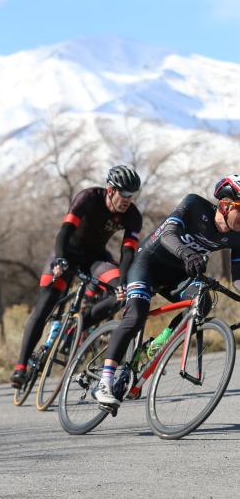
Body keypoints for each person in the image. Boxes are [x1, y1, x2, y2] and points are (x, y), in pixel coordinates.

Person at [92, 174, 240, 408]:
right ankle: (105, 382)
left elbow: (238, 278)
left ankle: (152, 349)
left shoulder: (237, 236)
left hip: (178, 275)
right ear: (225, 205)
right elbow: (168, 234)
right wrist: (187, 254)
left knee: (202, 302)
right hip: (147, 265)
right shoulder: (194, 205)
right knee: (136, 315)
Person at [10, 164, 143, 388]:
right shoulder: (88, 197)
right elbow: (65, 231)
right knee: (45, 305)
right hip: (68, 253)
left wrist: (122, 281)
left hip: (95, 258)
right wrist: (61, 259)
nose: (128, 199)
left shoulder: (132, 215)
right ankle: (21, 366)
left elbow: (128, 250)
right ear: (110, 189)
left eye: (132, 194)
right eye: (124, 193)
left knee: (121, 294)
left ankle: (76, 329)